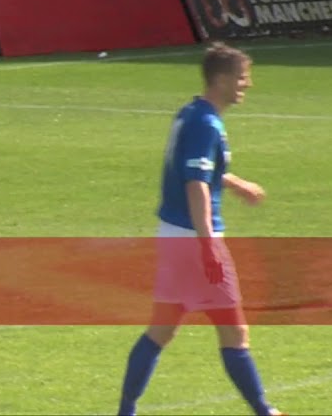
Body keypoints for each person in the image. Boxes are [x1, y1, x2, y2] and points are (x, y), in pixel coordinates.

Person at [118, 43, 281, 416]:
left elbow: (199, 171)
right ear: (221, 79)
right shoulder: (205, 123)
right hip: (194, 241)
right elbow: (196, 185)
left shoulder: (192, 114)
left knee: (161, 330)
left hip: (174, 236)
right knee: (234, 333)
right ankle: (264, 411)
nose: (248, 84)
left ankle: (125, 411)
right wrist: (209, 246)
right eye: (242, 77)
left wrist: (237, 185)